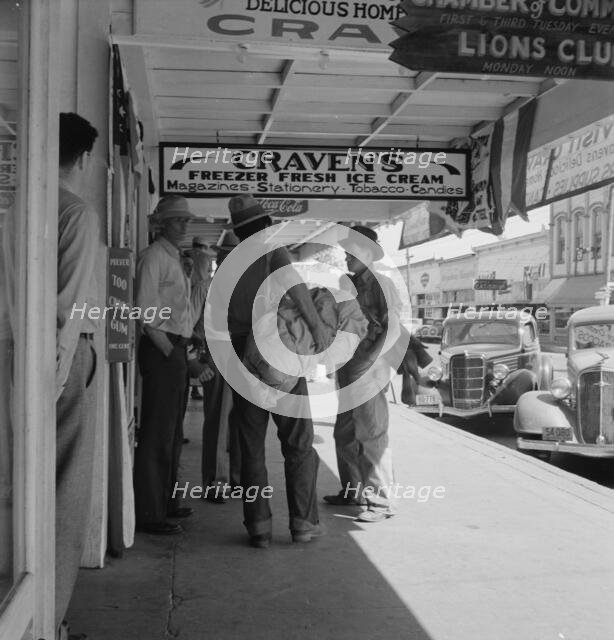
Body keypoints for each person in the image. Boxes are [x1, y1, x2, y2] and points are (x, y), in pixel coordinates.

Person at [220, 194, 329, 548]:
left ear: (237, 232)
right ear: (265, 224)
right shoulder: (271, 252)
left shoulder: (228, 264)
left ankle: (259, 528)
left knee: (250, 446)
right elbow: (298, 291)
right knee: (298, 443)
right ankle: (302, 523)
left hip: (242, 357)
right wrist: (318, 330)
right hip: (276, 354)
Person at [55, 112, 102, 639]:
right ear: (86, 158)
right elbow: (64, 312)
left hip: (13, 350)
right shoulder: (75, 212)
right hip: (61, 361)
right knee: (67, 491)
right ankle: (51, 617)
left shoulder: (18, 206)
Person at [324, 225, 402, 523]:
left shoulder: (384, 285)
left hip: (370, 367)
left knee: (371, 434)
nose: (346, 257)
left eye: (351, 251)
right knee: (344, 432)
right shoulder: (348, 284)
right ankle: (353, 492)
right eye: (345, 252)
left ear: (368, 253)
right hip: (348, 366)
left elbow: (393, 329)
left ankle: (381, 502)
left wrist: (369, 361)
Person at [133, 195, 196, 535]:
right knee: (158, 431)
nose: (184, 224)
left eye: (185, 220)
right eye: (177, 220)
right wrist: (170, 352)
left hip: (174, 349)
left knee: (172, 432)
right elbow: (145, 312)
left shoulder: (174, 259)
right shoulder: (154, 258)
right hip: (163, 350)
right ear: (161, 224)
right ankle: (149, 512)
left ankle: (166, 501)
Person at [200, 232, 241, 502]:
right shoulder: (212, 286)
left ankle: (238, 480)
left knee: (241, 423)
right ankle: (216, 482)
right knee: (218, 422)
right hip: (219, 354)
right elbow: (200, 325)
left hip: (242, 358)